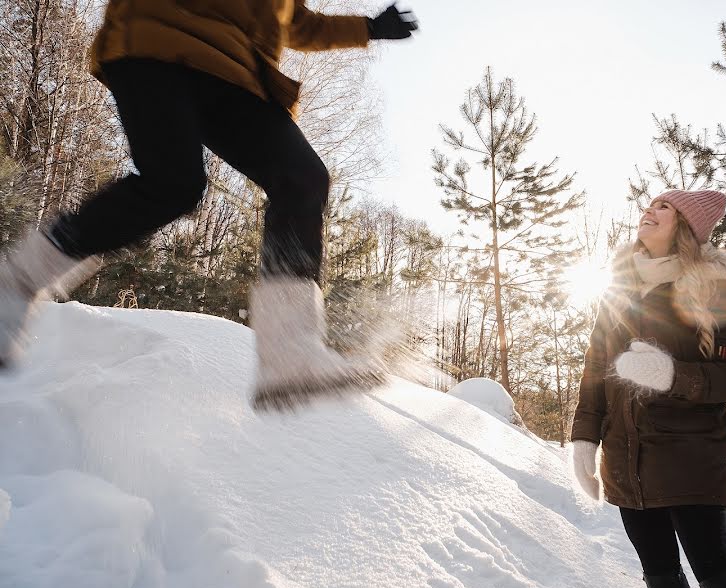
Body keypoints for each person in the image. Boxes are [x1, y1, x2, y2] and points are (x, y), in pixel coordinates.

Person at [0, 2, 418, 410]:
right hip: (156, 39)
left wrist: (368, 29)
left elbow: (299, 24)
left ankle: (290, 350)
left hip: (238, 75)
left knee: (302, 178)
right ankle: (16, 283)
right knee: (174, 184)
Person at [571, 190, 726, 588]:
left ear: (685, 226)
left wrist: (670, 375)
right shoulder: (617, 292)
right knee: (660, 577)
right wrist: (585, 439)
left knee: (717, 571)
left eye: (664, 207)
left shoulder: (712, 290)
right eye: (649, 205)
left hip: (689, 459)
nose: (649, 210)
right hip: (625, 460)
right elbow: (594, 371)